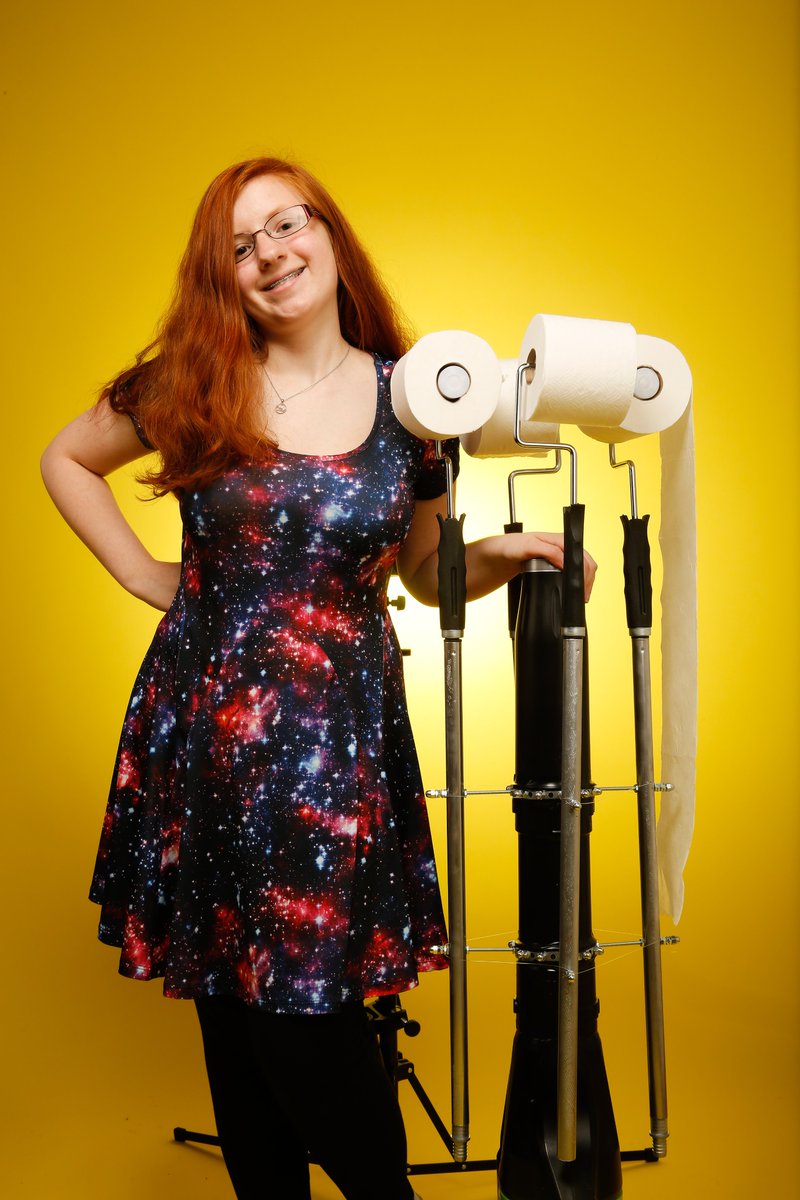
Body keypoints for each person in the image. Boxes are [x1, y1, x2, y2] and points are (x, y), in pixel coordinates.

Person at [41, 156, 596, 1200]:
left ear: (329, 234)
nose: (270, 255)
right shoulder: (191, 380)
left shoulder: (414, 399)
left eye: (287, 224)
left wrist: (505, 553)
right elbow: (65, 458)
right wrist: (147, 575)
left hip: (337, 750)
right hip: (208, 734)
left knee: (306, 1018)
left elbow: (424, 574)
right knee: (231, 1007)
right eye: (239, 246)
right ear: (221, 276)